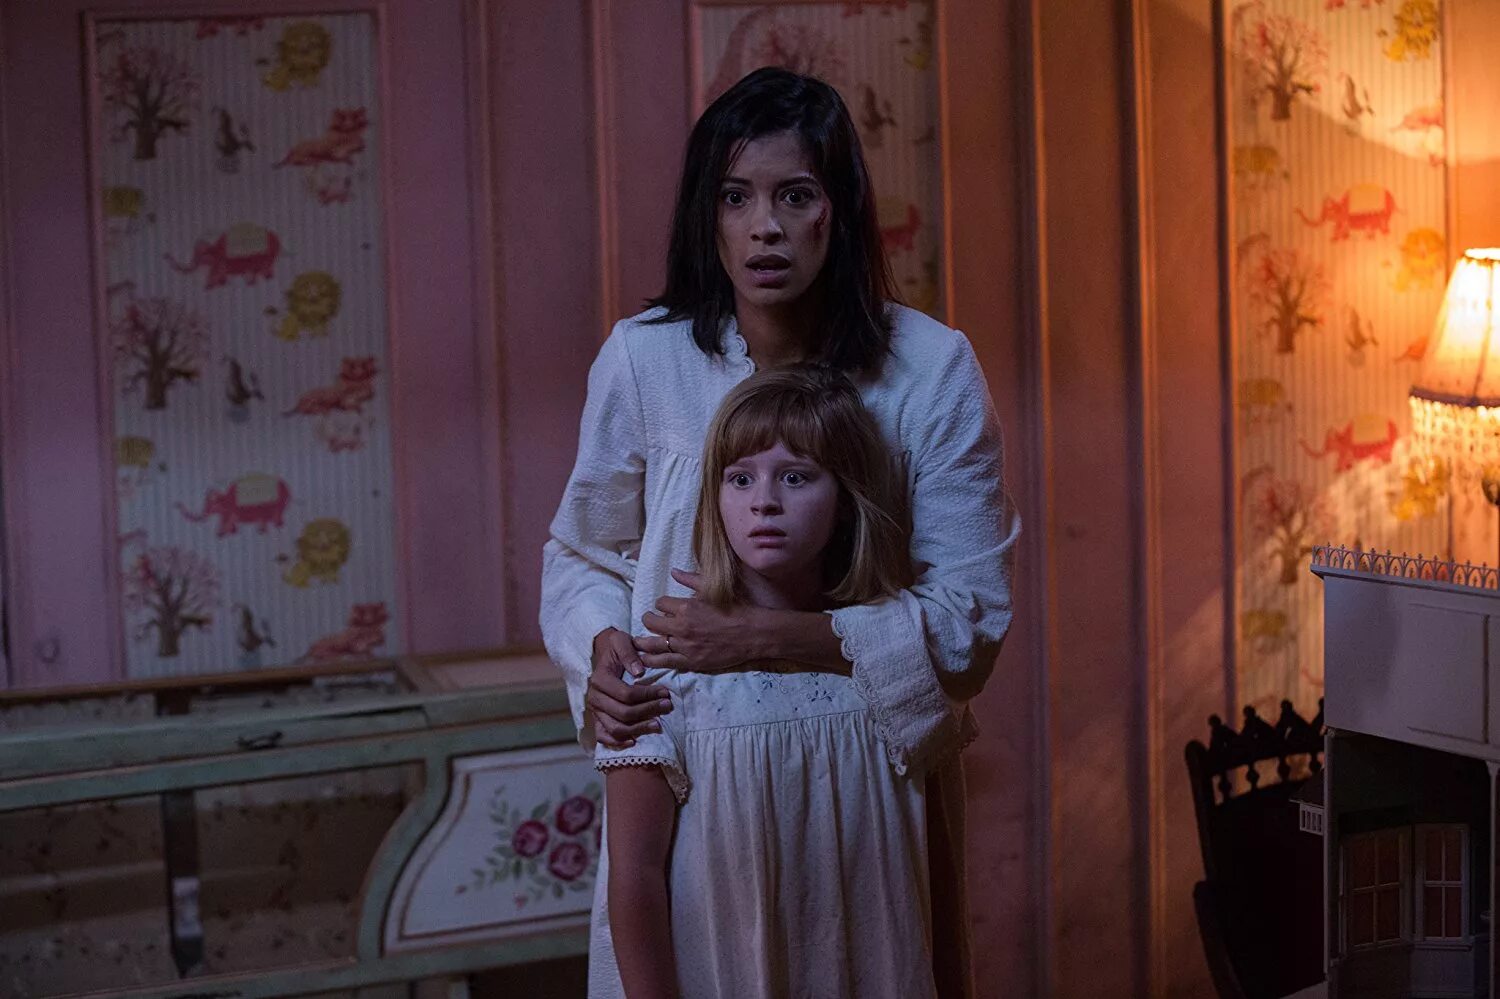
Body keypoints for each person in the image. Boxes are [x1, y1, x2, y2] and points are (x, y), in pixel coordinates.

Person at [540, 66, 1019, 998]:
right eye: (736, 197)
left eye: (794, 195)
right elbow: (583, 550)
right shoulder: (645, 360)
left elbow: (969, 623)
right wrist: (601, 642)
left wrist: (768, 636)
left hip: (871, 782)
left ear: (838, 212)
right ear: (707, 215)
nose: (764, 226)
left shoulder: (930, 372)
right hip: (695, 766)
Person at [600, 365, 928, 996]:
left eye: (796, 477)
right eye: (740, 478)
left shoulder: (892, 665)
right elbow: (635, 878)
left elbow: (922, 865)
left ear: (844, 501)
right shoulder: (663, 676)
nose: (764, 502)